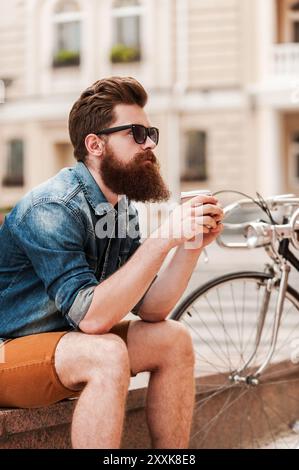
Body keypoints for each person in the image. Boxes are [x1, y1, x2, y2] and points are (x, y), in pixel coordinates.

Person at [0, 76, 223, 449]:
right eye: (136, 133)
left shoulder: (119, 207)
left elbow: (151, 308)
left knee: (173, 339)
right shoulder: (52, 207)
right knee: (105, 352)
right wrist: (164, 237)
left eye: (151, 133)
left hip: (61, 347)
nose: (149, 144)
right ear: (95, 144)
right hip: (9, 350)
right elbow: (93, 319)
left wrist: (190, 245)